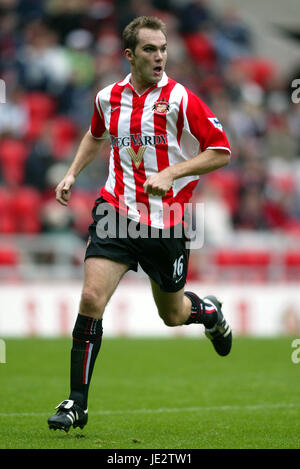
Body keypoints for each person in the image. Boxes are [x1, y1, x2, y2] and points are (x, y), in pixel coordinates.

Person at [48, 16, 232, 433]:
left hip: (167, 224)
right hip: (115, 213)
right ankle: (77, 403)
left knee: (172, 314)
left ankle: (209, 313)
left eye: (163, 48)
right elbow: (95, 135)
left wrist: (172, 173)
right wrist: (72, 172)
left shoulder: (182, 99)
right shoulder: (107, 97)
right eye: (150, 49)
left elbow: (220, 150)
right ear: (129, 55)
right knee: (92, 298)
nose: (160, 57)